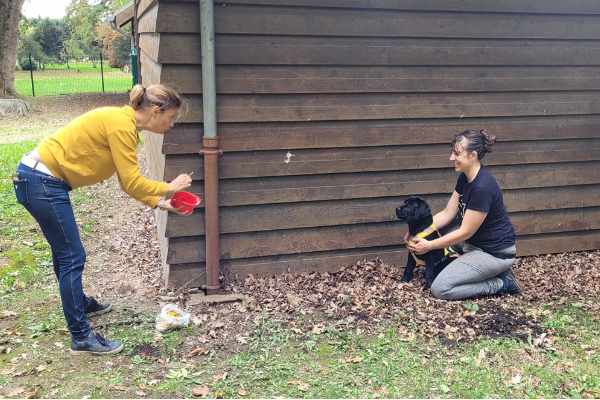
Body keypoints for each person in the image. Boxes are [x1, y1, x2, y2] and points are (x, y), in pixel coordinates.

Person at [12, 84, 193, 354]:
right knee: (72, 256)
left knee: (66, 254)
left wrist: (159, 202)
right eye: (171, 117)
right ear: (156, 111)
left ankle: (79, 304)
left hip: (39, 181)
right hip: (41, 182)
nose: (172, 124)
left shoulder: (125, 125)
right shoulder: (121, 125)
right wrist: (170, 187)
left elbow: (128, 184)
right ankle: (81, 336)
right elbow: (133, 181)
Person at [406, 129, 521, 300]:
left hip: (494, 253)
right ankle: (481, 268)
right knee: (441, 250)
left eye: (457, 153)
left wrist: (429, 245)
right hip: (472, 244)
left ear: (472, 155)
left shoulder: (482, 188)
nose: (451, 157)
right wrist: (418, 233)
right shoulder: (465, 178)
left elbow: (465, 232)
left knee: (441, 288)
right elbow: (447, 213)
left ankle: (502, 283)